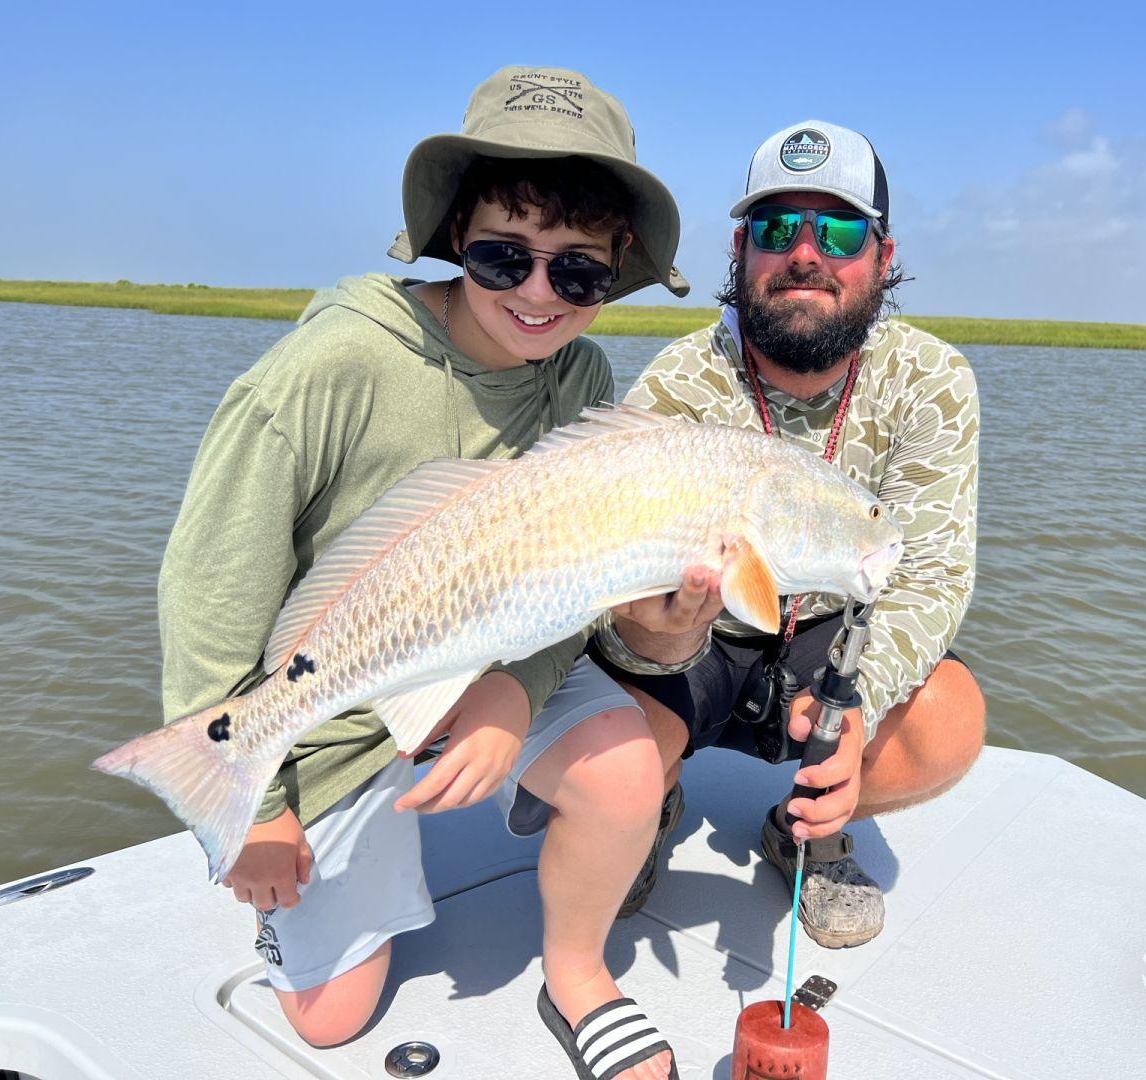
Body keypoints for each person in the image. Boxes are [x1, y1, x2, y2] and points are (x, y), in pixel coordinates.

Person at [158, 66, 687, 1080]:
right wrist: (255, 803)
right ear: (454, 237)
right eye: (504, 256)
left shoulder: (583, 379)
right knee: (330, 1021)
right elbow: (209, 587)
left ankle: (578, 971)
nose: (538, 294)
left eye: (576, 273)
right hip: (323, 695)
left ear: (615, 271)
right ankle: (259, 824)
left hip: (488, 650)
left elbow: (571, 580)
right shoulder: (330, 367)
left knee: (625, 769)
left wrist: (512, 689)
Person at [591, 120, 986, 949]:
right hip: (694, 636)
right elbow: (609, 576)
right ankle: (651, 800)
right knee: (603, 744)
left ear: (880, 256)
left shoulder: (932, 380)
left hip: (830, 638)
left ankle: (807, 826)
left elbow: (933, 576)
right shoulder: (679, 383)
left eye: (838, 230)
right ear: (741, 249)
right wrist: (646, 635)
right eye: (778, 228)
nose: (805, 252)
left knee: (953, 719)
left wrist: (858, 707)